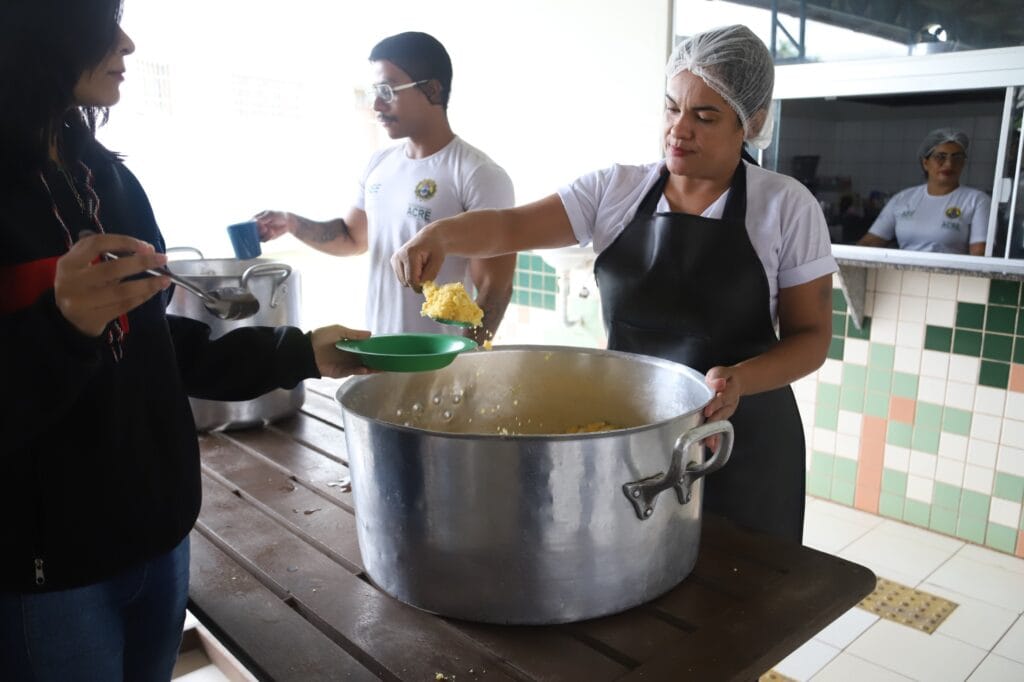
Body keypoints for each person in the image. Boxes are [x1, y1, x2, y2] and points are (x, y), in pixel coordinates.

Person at [0, 1, 372, 679]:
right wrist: (61, 329)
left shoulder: (107, 179)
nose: (128, 42)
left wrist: (300, 352)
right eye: (102, 21)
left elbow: (149, 345)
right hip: (47, 573)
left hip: (161, 539)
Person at [391, 25, 836, 543]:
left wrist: (739, 379)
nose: (679, 130)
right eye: (671, 108)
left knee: (745, 604)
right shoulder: (616, 190)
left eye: (704, 116)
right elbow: (508, 226)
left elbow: (811, 339)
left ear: (752, 122)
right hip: (636, 437)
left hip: (741, 438)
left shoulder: (786, 206)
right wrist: (438, 234)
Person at [256, 31, 515, 344]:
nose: (376, 103)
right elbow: (352, 237)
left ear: (432, 90)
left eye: (389, 90)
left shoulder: (478, 174)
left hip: (443, 364)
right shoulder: (379, 164)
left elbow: (494, 288)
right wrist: (293, 223)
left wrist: (465, 362)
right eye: (375, 91)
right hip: (380, 351)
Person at [857, 127, 991, 255]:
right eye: (941, 157)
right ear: (925, 163)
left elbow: (979, 254)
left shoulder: (977, 200)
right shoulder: (903, 199)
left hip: (950, 277)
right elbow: (870, 243)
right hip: (904, 274)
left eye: (957, 158)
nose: (949, 164)